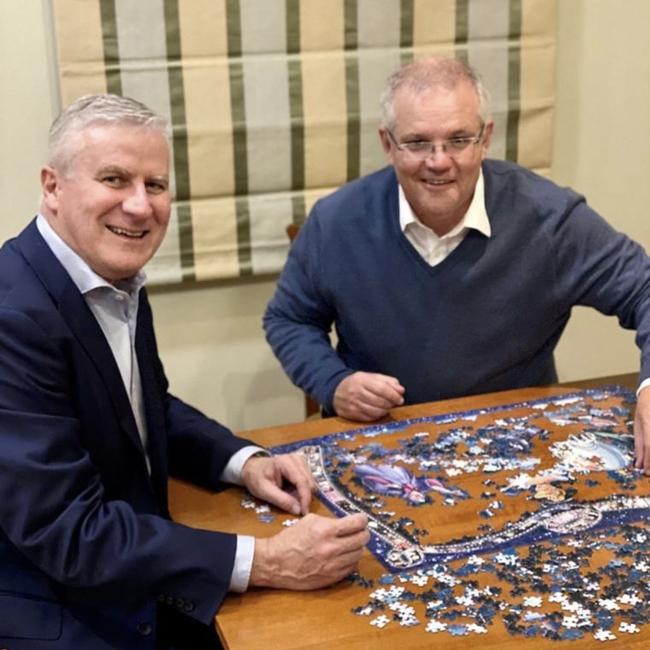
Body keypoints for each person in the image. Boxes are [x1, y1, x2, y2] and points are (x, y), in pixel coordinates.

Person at [0, 94, 369, 650]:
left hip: (140, 574)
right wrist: (266, 560)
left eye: (156, 184)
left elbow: (146, 407)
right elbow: (70, 536)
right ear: (53, 186)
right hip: (64, 615)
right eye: (115, 179)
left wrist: (242, 462)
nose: (140, 206)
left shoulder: (106, 271)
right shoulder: (11, 317)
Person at [263, 56, 650, 475]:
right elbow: (288, 319)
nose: (439, 161)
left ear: (485, 138)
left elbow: (643, 288)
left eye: (458, 140)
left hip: (520, 451)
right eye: (417, 142)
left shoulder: (550, 219)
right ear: (387, 143)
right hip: (381, 449)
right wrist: (333, 383)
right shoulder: (336, 221)